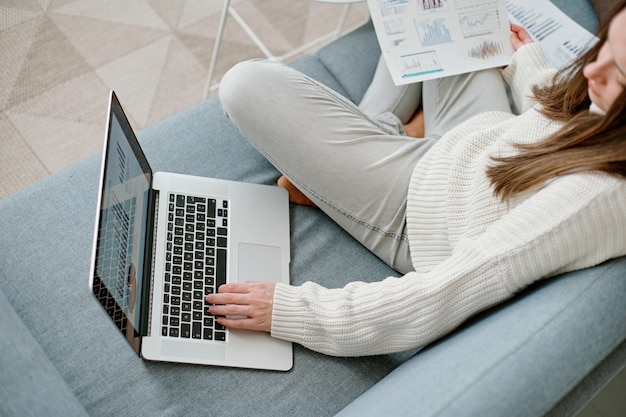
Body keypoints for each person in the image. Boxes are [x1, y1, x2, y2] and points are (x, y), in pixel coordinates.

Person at [206, 5, 626, 357]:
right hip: (474, 139)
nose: (594, 67)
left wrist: (290, 310)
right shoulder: (611, 118)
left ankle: (357, 158)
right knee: (443, 11)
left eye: (619, 72)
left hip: (413, 209)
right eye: (607, 43)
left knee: (244, 85)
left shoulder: (596, 197)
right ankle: (388, 135)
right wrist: (525, 61)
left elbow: (443, 293)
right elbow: (566, 128)